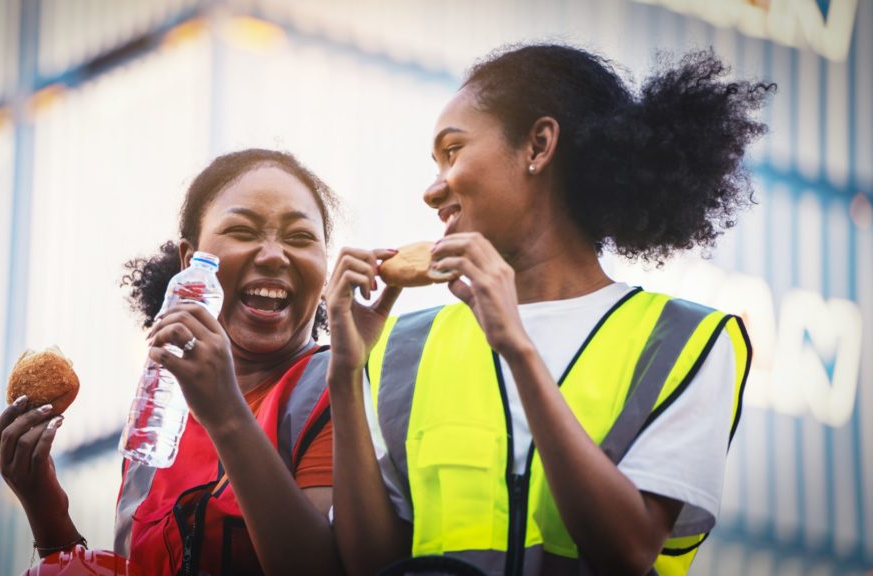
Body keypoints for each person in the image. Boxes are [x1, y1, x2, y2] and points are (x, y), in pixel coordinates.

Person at [326, 45, 772, 576]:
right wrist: (346, 377)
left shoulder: (687, 340)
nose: (432, 190)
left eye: (454, 151)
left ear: (538, 145)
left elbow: (627, 551)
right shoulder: (400, 349)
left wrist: (517, 347)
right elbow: (367, 565)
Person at [0, 149, 344, 576]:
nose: (273, 255)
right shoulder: (157, 419)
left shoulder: (336, 390)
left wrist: (227, 414)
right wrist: (46, 508)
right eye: (242, 230)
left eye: (300, 237)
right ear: (188, 260)